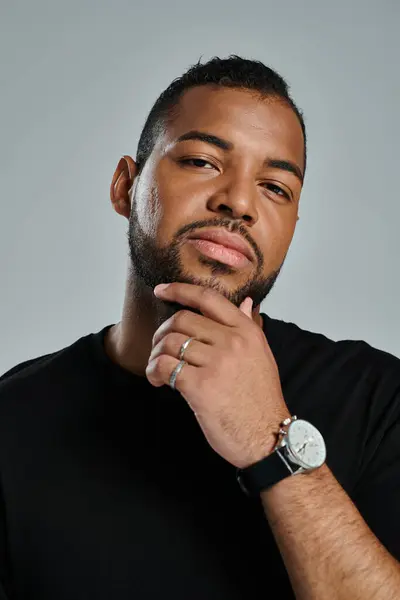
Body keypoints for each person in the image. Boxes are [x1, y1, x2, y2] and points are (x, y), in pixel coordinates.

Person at [0, 55, 399, 600]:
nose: (238, 201)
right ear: (125, 186)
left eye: (276, 188)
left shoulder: (378, 398)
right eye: (203, 161)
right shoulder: (13, 418)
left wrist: (269, 439)